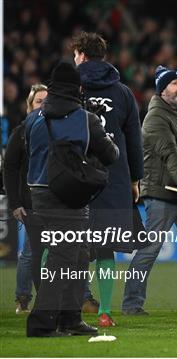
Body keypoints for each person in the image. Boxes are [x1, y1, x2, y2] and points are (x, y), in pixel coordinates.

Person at [25, 62, 119, 337]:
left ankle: (70, 318)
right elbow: (110, 155)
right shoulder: (84, 119)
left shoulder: (33, 118)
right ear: (78, 88)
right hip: (69, 198)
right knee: (63, 259)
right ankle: (41, 324)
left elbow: (27, 152)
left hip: (37, 194)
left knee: (77, 256)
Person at [72, 31, 144, 327]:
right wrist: (135, 179)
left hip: (74, 178)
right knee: (104, 246)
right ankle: (104, 312)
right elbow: (133, 141)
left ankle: (59, 308)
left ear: (82, 55)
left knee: (64, 245)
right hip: (113, 179)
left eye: (75, 55)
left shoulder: (69, 88)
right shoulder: (124, 93)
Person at [121, 65, 177, 315]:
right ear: (162, 90)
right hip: (161, 193)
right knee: (149, 249)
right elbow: (169, 155)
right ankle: (132, 304)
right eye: (174, 84)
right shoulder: (154, 117)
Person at [4, 84, 47, 314]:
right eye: (39, 101)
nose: (44, 105)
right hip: (30, 203)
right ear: (29, 107)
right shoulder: (21, 133)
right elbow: (9, 168)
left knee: (50, 252)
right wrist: (15, 203)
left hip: (54, 202)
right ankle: (23, 299)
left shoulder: (57, 130)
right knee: (32, 251)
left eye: (47, 101)